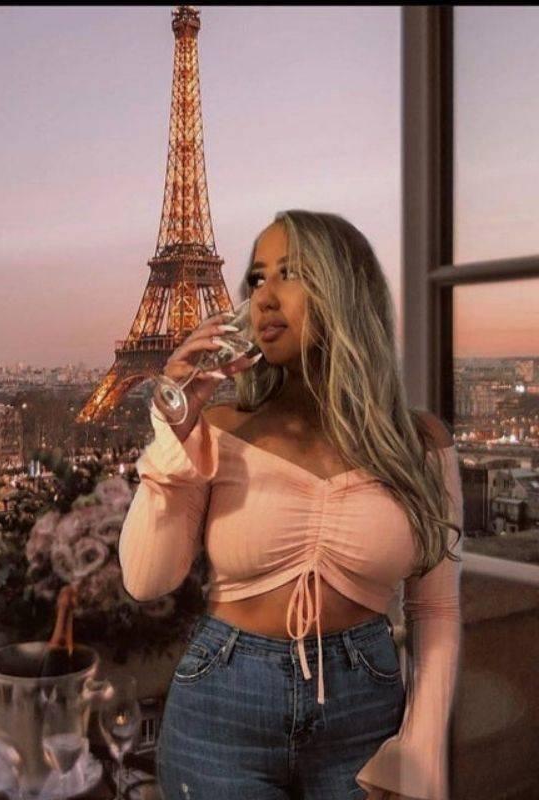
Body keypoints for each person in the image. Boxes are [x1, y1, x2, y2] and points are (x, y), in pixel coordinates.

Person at [118, 210, 464, 800]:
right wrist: (173, 431)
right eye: (257, 278)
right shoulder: (220, 428)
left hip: (366, 709)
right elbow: (147, 580)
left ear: (345, 290)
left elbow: (435, 609)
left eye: (291, 273)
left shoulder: (419, 444)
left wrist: (423, 747)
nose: (264, 296)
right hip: (221, 704)